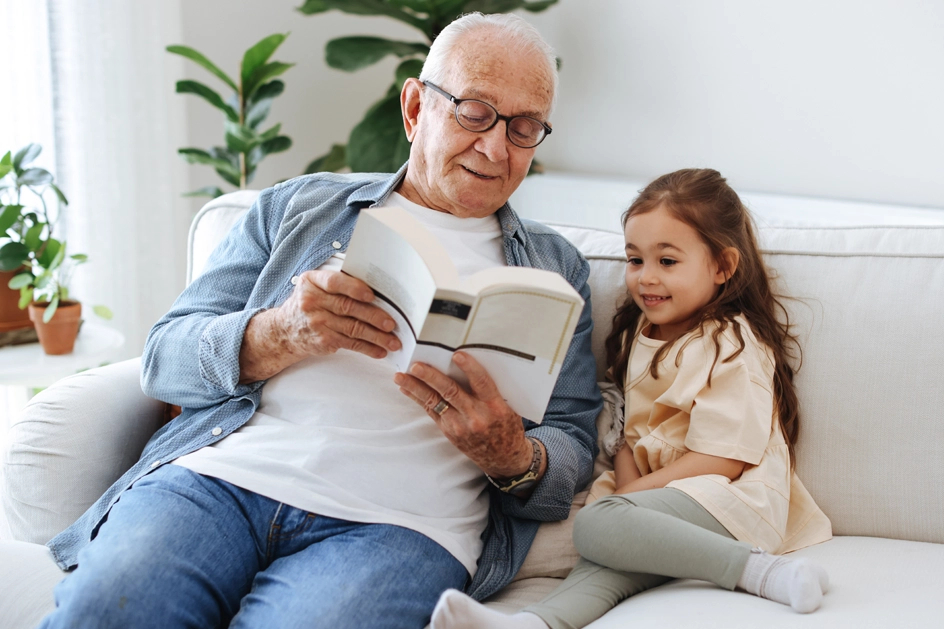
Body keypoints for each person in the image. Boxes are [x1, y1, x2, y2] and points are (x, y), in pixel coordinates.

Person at [37, 13, 602, 629]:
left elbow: (572, 439)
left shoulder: (554, 270)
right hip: (218, 482)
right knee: (104, 613)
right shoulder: (299, 206)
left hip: (402, 527)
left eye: (524, 129)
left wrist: (514, 455)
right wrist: (276, 334)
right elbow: (162, 360)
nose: (496, 149)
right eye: (475, 112)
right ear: (415, 107)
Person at [430, 168, 834, 629]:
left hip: (728, 498)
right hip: (659, 502)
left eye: (667, 261)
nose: (646, 278)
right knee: (604, 558)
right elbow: (630, 441)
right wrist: (626, 490)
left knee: (598, 526)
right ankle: (532, 624)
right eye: (635, 260)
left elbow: (724, 460)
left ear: (722, 266)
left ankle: (762, 571)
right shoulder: (636, 335)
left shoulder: (731, 345)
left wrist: (625, 499)